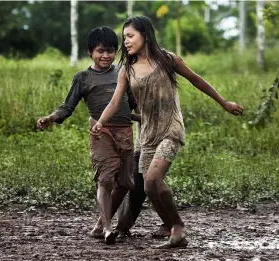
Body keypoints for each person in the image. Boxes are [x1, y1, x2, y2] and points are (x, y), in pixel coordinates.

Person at [90, 16, 244, 248]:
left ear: (146, 35)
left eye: (130, 36)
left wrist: (224, 103)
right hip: (147, 134)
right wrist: (100, 122)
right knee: (150, 186)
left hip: (171, 128)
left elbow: (197, 80)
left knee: (152, 179)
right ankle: (175, 230)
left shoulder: (168, 60)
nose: (126, 42)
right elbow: (114, 102)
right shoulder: (127, 70)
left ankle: (178, 227)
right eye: (124, 38)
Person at [36, 26, 139, 244]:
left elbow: (132, 104)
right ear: (89, 52)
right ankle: (108, 229)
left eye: (111, 50)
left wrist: (151, 117)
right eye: (101, 51)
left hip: (125, 133)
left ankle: (101, 225)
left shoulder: (123, 72)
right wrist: (51, 118)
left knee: (125, 183)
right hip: (100, 133)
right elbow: (67, 106)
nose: (106, 55)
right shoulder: (83, 78)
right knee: (104, 180)